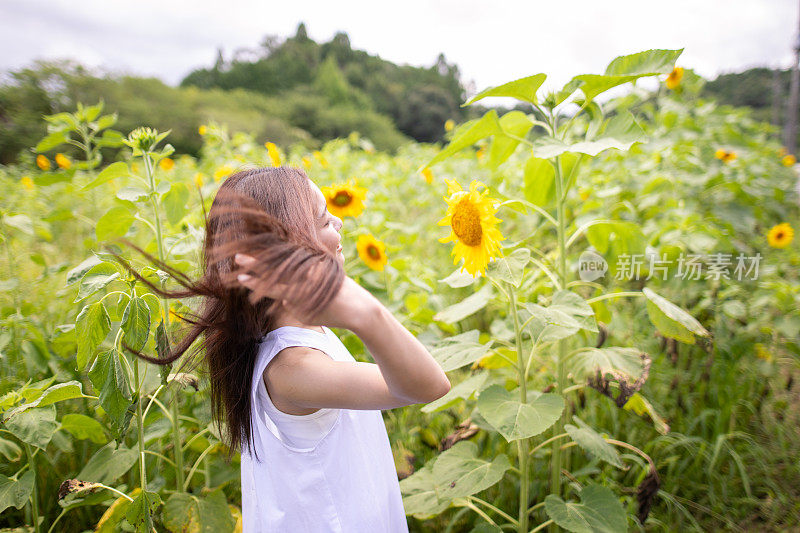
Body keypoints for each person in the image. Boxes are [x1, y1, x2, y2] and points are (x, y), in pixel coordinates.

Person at [114, 166, 451, 532]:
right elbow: (427, 386)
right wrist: (365, 314)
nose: (338, 222)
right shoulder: (292, 367)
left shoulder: (281, 339)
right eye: (323, 220)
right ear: (289, 249)